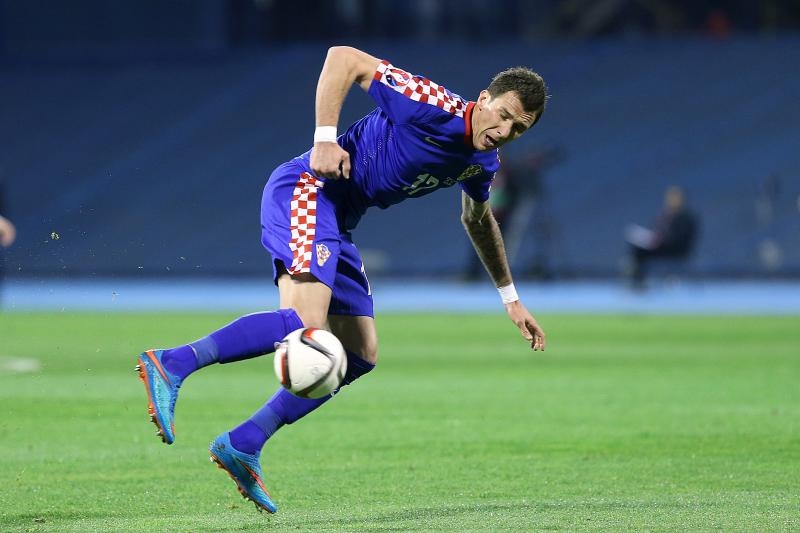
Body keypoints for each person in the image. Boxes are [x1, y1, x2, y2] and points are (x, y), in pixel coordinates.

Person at [136, 46, 548, 513]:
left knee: (360, 352)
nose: (505, 131)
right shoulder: (431, 103)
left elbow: (477, 219)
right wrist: (325, 139)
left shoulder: (482, 164)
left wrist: (510, 298)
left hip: (340, 219)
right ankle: (172, 362)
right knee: (301, 324)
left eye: (519, 128)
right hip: (308, 189)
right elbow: (343, 59)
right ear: (484, 98)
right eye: (504, 115)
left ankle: (244, 442)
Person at [624, 185, 699, 288]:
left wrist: (663, 240)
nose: (671, 201)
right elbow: (656, 231)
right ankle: (636, 280)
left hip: (675, 250)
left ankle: (638, 280)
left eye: (675, 198)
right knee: (638, 250)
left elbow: (680, 239)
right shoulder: (665, 215)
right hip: (661, 246)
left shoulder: (686, 218)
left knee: (642, 252)